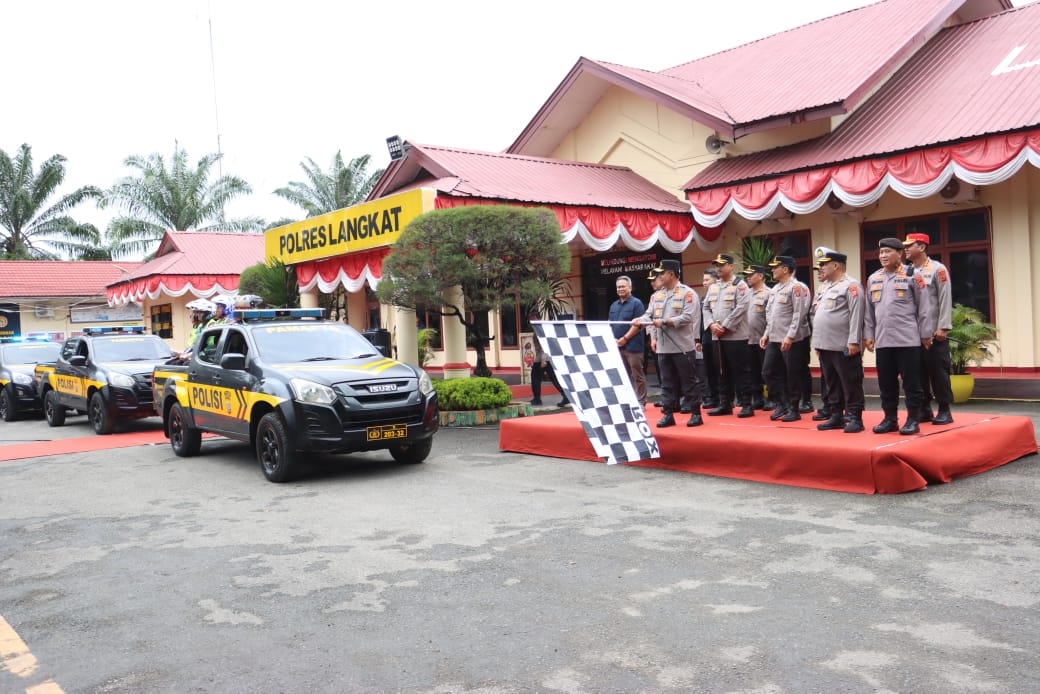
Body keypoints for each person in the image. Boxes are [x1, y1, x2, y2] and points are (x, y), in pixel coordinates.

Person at [864, 237, 931, 435]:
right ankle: (890, 419)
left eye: (887, 252)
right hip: (884, 341)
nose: (883, 256)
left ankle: (913, 419)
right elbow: (869, 311)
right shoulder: (873, 278)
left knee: (911, 383)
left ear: (899, 254)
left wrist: (926, 335)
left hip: (907, 339)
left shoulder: (913, 276)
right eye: (881, 252)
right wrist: (868, 335)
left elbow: (924, 308)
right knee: (886, 383)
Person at [634, 259, 702, 427]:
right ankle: (668, 414)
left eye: (662, 273)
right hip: (664, 348)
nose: (660, 276)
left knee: (688, 382)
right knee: (667, 383)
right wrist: (639, 320)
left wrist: (665, 321)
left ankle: (695, 413)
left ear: (671, 273)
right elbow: (649, 315)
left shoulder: (688, 293)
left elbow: (688, 317)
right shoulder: (657, 295)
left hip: (682, 346)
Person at [811, 251, 867, 433]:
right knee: (831, 382)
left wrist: (853, 341)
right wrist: (817, 343)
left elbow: (856, 315)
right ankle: (836, 415)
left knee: (850, 382)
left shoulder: (851, 286)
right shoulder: (825, 287)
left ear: (835, 266)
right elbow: (819, 316)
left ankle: (855, 417)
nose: (821, 268)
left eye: (824, 265)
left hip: (843, 344)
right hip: (825, 345)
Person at [903, 231, 954, 425]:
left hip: (934, 333)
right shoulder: (906, 271)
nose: (906, 249)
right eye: (905, 246)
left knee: (938, 372)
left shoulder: (937, 269)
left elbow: (944, 299)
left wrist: (943, 327)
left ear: (922, 247)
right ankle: (924, 409)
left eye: (910, 245)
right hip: (912, 334)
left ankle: (944, 409)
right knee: (917, 373)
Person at [760, 255, 812, 422]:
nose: (773, 270)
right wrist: (766, 334)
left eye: (776, 267)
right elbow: (771, 316)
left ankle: (794, 408)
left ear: (785, 269)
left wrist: (790, 336)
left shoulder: (797, 288)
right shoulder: (775, 289)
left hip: (792, 340)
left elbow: (799, 314)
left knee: (793, 374)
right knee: (768, 371)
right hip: (774, 339)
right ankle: (781, 403)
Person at [703, 253, 754, 417]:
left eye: (722, 265)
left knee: (741, 371)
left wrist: (724, 326)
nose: (718, 268)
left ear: (731, 267)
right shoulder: (713, 287)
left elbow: (741, 308)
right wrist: (711, 324)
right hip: (717, 336)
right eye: (716, 265)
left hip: (735, 336)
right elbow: (705, 308)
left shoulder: (740, 286)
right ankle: (725, 403)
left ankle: (746, 404)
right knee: (721, 371)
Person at [610, 275, 648, 407]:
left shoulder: (636, 303)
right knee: (623, 376)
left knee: (637, 375)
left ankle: (641, 402)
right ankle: (627, 400)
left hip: (633, 346)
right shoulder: (613, 305)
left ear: (630, 287)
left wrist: (625, 339)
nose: (620, 289)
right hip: (617, 346)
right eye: (618, 287)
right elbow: (611, 324)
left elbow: (638, 325)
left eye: (623, 286)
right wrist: (613, 339)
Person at [810, 246, 838, 421]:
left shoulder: (844, 285)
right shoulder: (821, 289)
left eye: (823, 265)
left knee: (841, 377)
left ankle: (845, 409)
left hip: (837, 340)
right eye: (818, 267)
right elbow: (815, 315)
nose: (819, 270)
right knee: (826, 375)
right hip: (823, 340)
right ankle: (828, 405)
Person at [742, 264, 771, 410]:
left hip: (763, 338)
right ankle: (758, 398)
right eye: (747, 275)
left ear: (760, 276)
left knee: (768, 370)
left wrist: (766, 335)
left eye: (751, 274)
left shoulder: (768, 293)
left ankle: (772, 398)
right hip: (747, 339)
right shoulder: (745, 294)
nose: (748, 277)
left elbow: (771, 318)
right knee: (752, 371)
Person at [529, 313, 569, 408]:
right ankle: (565, 395)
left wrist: (543, 360)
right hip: (544, 358)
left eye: (534, 319)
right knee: (553, 378)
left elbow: (545, 346)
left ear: (539, 319)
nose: (532, 322)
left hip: (544, 358)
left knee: (536, 377)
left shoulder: (541, 330)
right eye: (531, 320)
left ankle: (537, 398)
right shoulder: (539, 329)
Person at [699, 268, 721, 408]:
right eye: (703, 280)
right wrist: (698, 339)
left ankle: (723, 398)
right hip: (706, 336)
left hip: (718, 335)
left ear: (715, 280)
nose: (704, 283)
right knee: (708, 369)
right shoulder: (703, 298)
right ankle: (712, 397)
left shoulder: (720, 295)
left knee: (719, 368)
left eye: (707, 280)